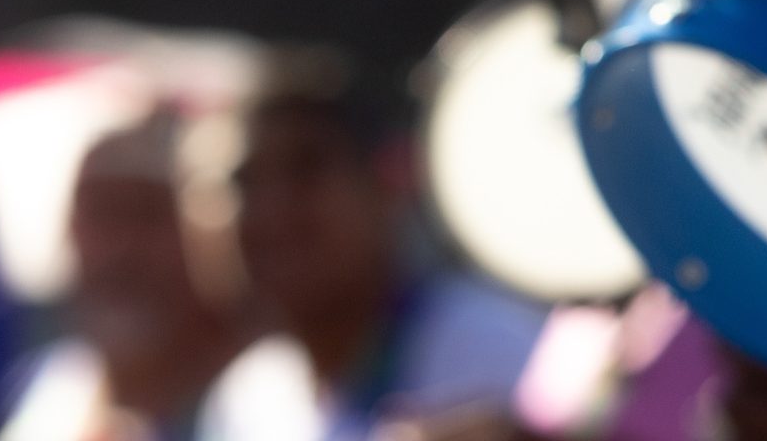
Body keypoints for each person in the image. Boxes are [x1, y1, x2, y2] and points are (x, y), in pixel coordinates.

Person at [194, 59, 545, 441]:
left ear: (384, 186)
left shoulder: (498, 349)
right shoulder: (245, 399)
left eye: (306, 170)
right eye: (242, 182)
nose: (271, 212)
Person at [0, 114, 248, 441]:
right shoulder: (46, 389)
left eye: (147, 214)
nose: (122, 246)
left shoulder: (262, 398)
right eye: (100, 213)